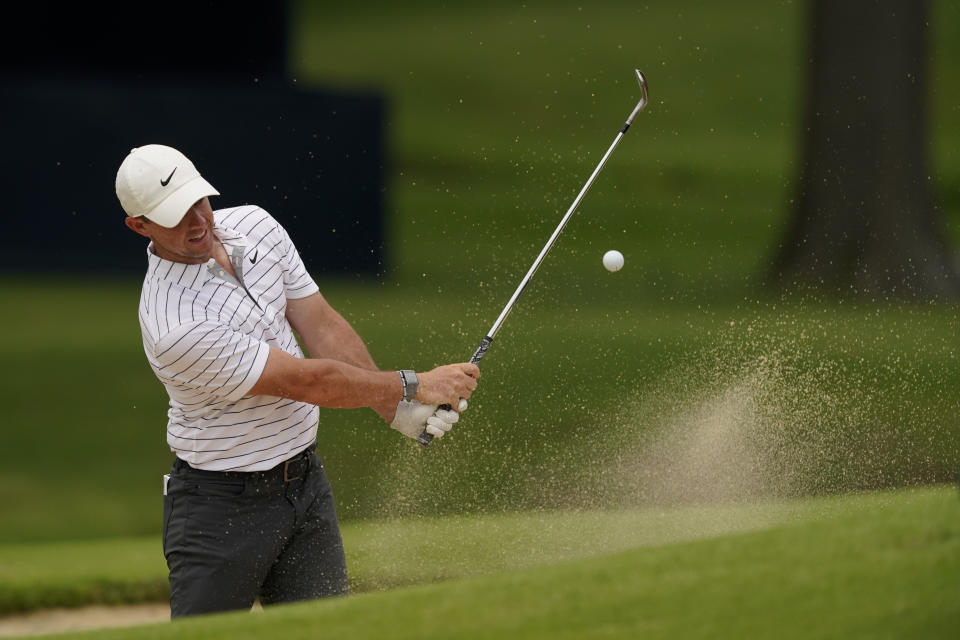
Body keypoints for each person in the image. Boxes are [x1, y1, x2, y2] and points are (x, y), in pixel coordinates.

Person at [115, 144, 479, 618]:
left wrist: (395, 408)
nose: (196, 219)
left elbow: (321, 325)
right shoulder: (174, 323)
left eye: (197, 200)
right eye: (174, 214)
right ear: (139, 226)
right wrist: (412, 386)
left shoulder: (255, 223)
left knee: (324, 629)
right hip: (220, 510)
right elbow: (308, 382)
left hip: (305, 487)